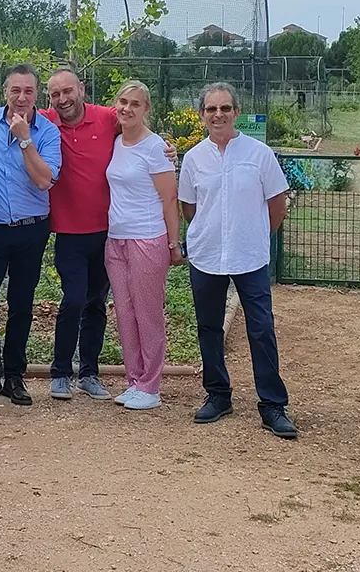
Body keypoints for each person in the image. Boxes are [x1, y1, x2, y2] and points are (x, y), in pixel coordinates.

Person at [177, 82, 298, 439]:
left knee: (261, 328)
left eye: (225, 108)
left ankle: (272, 405)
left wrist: (257, 234)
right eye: (211, 109)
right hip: (207, 255)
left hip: (250, 255)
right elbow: (189, 208)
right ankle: (217, 395)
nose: (218, 115)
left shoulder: (259, 154)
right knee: (209, 327)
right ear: (202, 115)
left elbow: (278, 205)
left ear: (236, 112)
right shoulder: (194, 159)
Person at [0, 64, 61, 406]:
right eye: (15, 91)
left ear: (37, 95)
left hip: (32, 229)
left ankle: (14, 374)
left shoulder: (48, 133)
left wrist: (25, 139)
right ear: (4, 93)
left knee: (21, 304)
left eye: (28, 91)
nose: (22, 98)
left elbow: (43, 180)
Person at [103, 80, 181, 411]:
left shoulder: (155, 148)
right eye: (123, 101)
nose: (127, 108)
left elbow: (169, 198)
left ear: (146, 109)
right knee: (124, 312)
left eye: (136, 104)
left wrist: (174, 243)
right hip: (116, 239)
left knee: (148, 314)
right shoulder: (117, 141)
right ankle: (134, 380)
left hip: (147, 239)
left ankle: (151, 385)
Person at [40, 67, 117, 401]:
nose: (62, 99)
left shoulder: (107, 118)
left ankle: (89, 372)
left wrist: (166, 148)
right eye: (55, 94)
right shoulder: (45, 121)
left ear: (81, 89)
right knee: (73, 300)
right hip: (68, 233)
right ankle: (60, 372)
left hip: (106, 232)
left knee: (96, 303)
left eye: (67, 91)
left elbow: (138, 125)